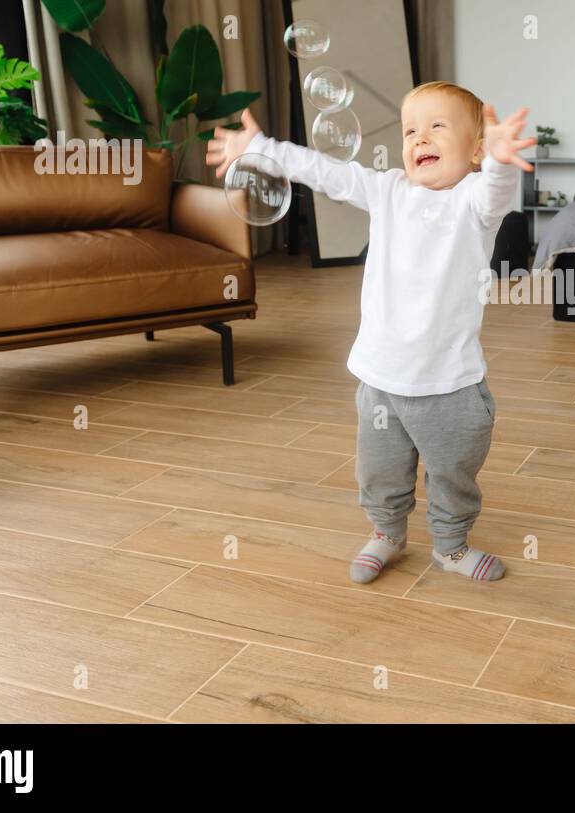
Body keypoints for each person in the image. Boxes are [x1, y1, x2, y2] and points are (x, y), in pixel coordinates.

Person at [205, 83, 535, 583]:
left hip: (449, 382)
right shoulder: (388, 191)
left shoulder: (473, 202)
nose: (420, 138)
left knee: (454, 470)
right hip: (380, 377)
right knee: (380, 468)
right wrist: (260, 149)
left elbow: (496, 190)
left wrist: (501, 161)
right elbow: (325, 172)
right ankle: (386, 533)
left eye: (437, 126)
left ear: (474, 149)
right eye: (410, 130)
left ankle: (450, 544)